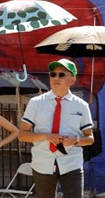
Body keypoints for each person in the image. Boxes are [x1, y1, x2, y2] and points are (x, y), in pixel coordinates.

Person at [18, 58, 95, 198]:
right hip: (43, 162)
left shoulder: (81, 105)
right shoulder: (36, 103)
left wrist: (75, 140)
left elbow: (90, 139)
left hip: (72, 163)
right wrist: (45, 136)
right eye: (53, 74)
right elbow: (22, 135)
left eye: (61, 74)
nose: (55, 77)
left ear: (72, 80)